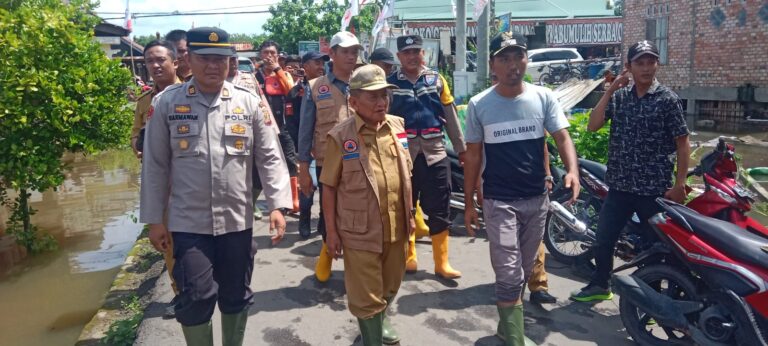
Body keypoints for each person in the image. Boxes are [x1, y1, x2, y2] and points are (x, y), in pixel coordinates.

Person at [140, 27, 292, 346]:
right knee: (196, 296)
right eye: (205, 59)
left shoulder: (248, 103)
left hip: (237, 220)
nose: (213, 66)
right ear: (189, 60)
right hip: (188, 222)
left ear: (230, 61)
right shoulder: (166, 102)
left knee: (236, 294)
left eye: (220, 59)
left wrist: (278, 205)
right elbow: (155, 164)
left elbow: (269, 156)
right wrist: (154, 220)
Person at [463, 32, 580, 345]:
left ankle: (505, 326)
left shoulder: (543, 97)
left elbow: (562, 137)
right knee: (509, 272)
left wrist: (572, 171)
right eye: (505, 58)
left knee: (526, 269)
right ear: (493, 65)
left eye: (518, 57)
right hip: (499, 200)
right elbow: (472, 154)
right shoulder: (479, 104)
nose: (513, 65)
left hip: (536, 199)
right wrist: (471, 201)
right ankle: (515, 338)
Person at [571, 40, 690, 302]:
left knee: (655, 248)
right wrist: (610, 89)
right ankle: (601, 285)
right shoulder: (621, 97)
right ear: (629, 67)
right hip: (620, 186)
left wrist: (679, 184)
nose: (646, 68)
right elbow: (592, 125)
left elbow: (683, 144)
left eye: (651, 62)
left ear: (657, 64)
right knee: (603, 240)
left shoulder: (667, 100)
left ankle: (654, 299)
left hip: (653, 190)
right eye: (640, 63)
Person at [319, 64, 414, 346]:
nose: (381, 101)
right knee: (366, 295)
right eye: (373, 96)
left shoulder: (397, 126)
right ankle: (372, 336)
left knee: (391, 284)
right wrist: (332, 233)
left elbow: (405, 175)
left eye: (384, 95)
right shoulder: (341, 136)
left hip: (396, 224)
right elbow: (329, 187)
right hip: (358, 229)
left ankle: (380, 320)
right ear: (354, 101)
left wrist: (410, 215)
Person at [387, 34, 466, 279]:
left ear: (424, 54)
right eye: (407, 53)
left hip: (435, 153)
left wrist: (462, 150)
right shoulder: (390, 84)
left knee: (441, 205)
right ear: (399, 57)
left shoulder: (437, 79)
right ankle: (409, 255)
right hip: (402, 155)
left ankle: (441, 262)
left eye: (416, 52)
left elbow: (450, 116)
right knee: (405, 206)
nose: (412, 56)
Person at [297, 31, 360, 282]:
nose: (351, 56)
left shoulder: (365, 82)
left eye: (354, 51)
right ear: (331, 55)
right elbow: (305, 131)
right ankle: (326, 255)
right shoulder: (316, 87)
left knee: (360, 212)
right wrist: (303, 169)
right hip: (327, 162)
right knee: (328, 212)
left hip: (361, 161)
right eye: (345, 51)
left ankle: (357, 264)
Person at [130, 39, 182, 318]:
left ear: (175, 62)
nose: (155, 65)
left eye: (161, 59)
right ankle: (180, 293)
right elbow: (135, 134)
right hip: (162, 183)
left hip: (192, 179)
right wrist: (138, 146)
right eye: (150, 61)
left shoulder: (193, 92)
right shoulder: (145, 101)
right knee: (170, 244)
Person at [254, 41, 300, 214]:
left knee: (290, 162)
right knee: (258, 166)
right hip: (260, 129)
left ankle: (293, 201)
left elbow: (291, 92)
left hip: (282, 127)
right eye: (265, 53)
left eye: (272, 53)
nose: (269, 56)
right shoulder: (254, 76)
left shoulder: (283, 74)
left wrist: (277, 70)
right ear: (260, 55)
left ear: (278, 56)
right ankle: (252, 201)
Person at [287, 51, 329, 237]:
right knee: (307, 189)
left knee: (326, 189)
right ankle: (304, 221)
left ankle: (323, 221)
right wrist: (302, 150)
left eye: (322, 64)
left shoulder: (329, 89)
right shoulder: (295, 92)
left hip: (326, 149)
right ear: (305, 66)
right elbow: (292, 124)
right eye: (316, 63)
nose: (321, 67)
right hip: (306, 150)